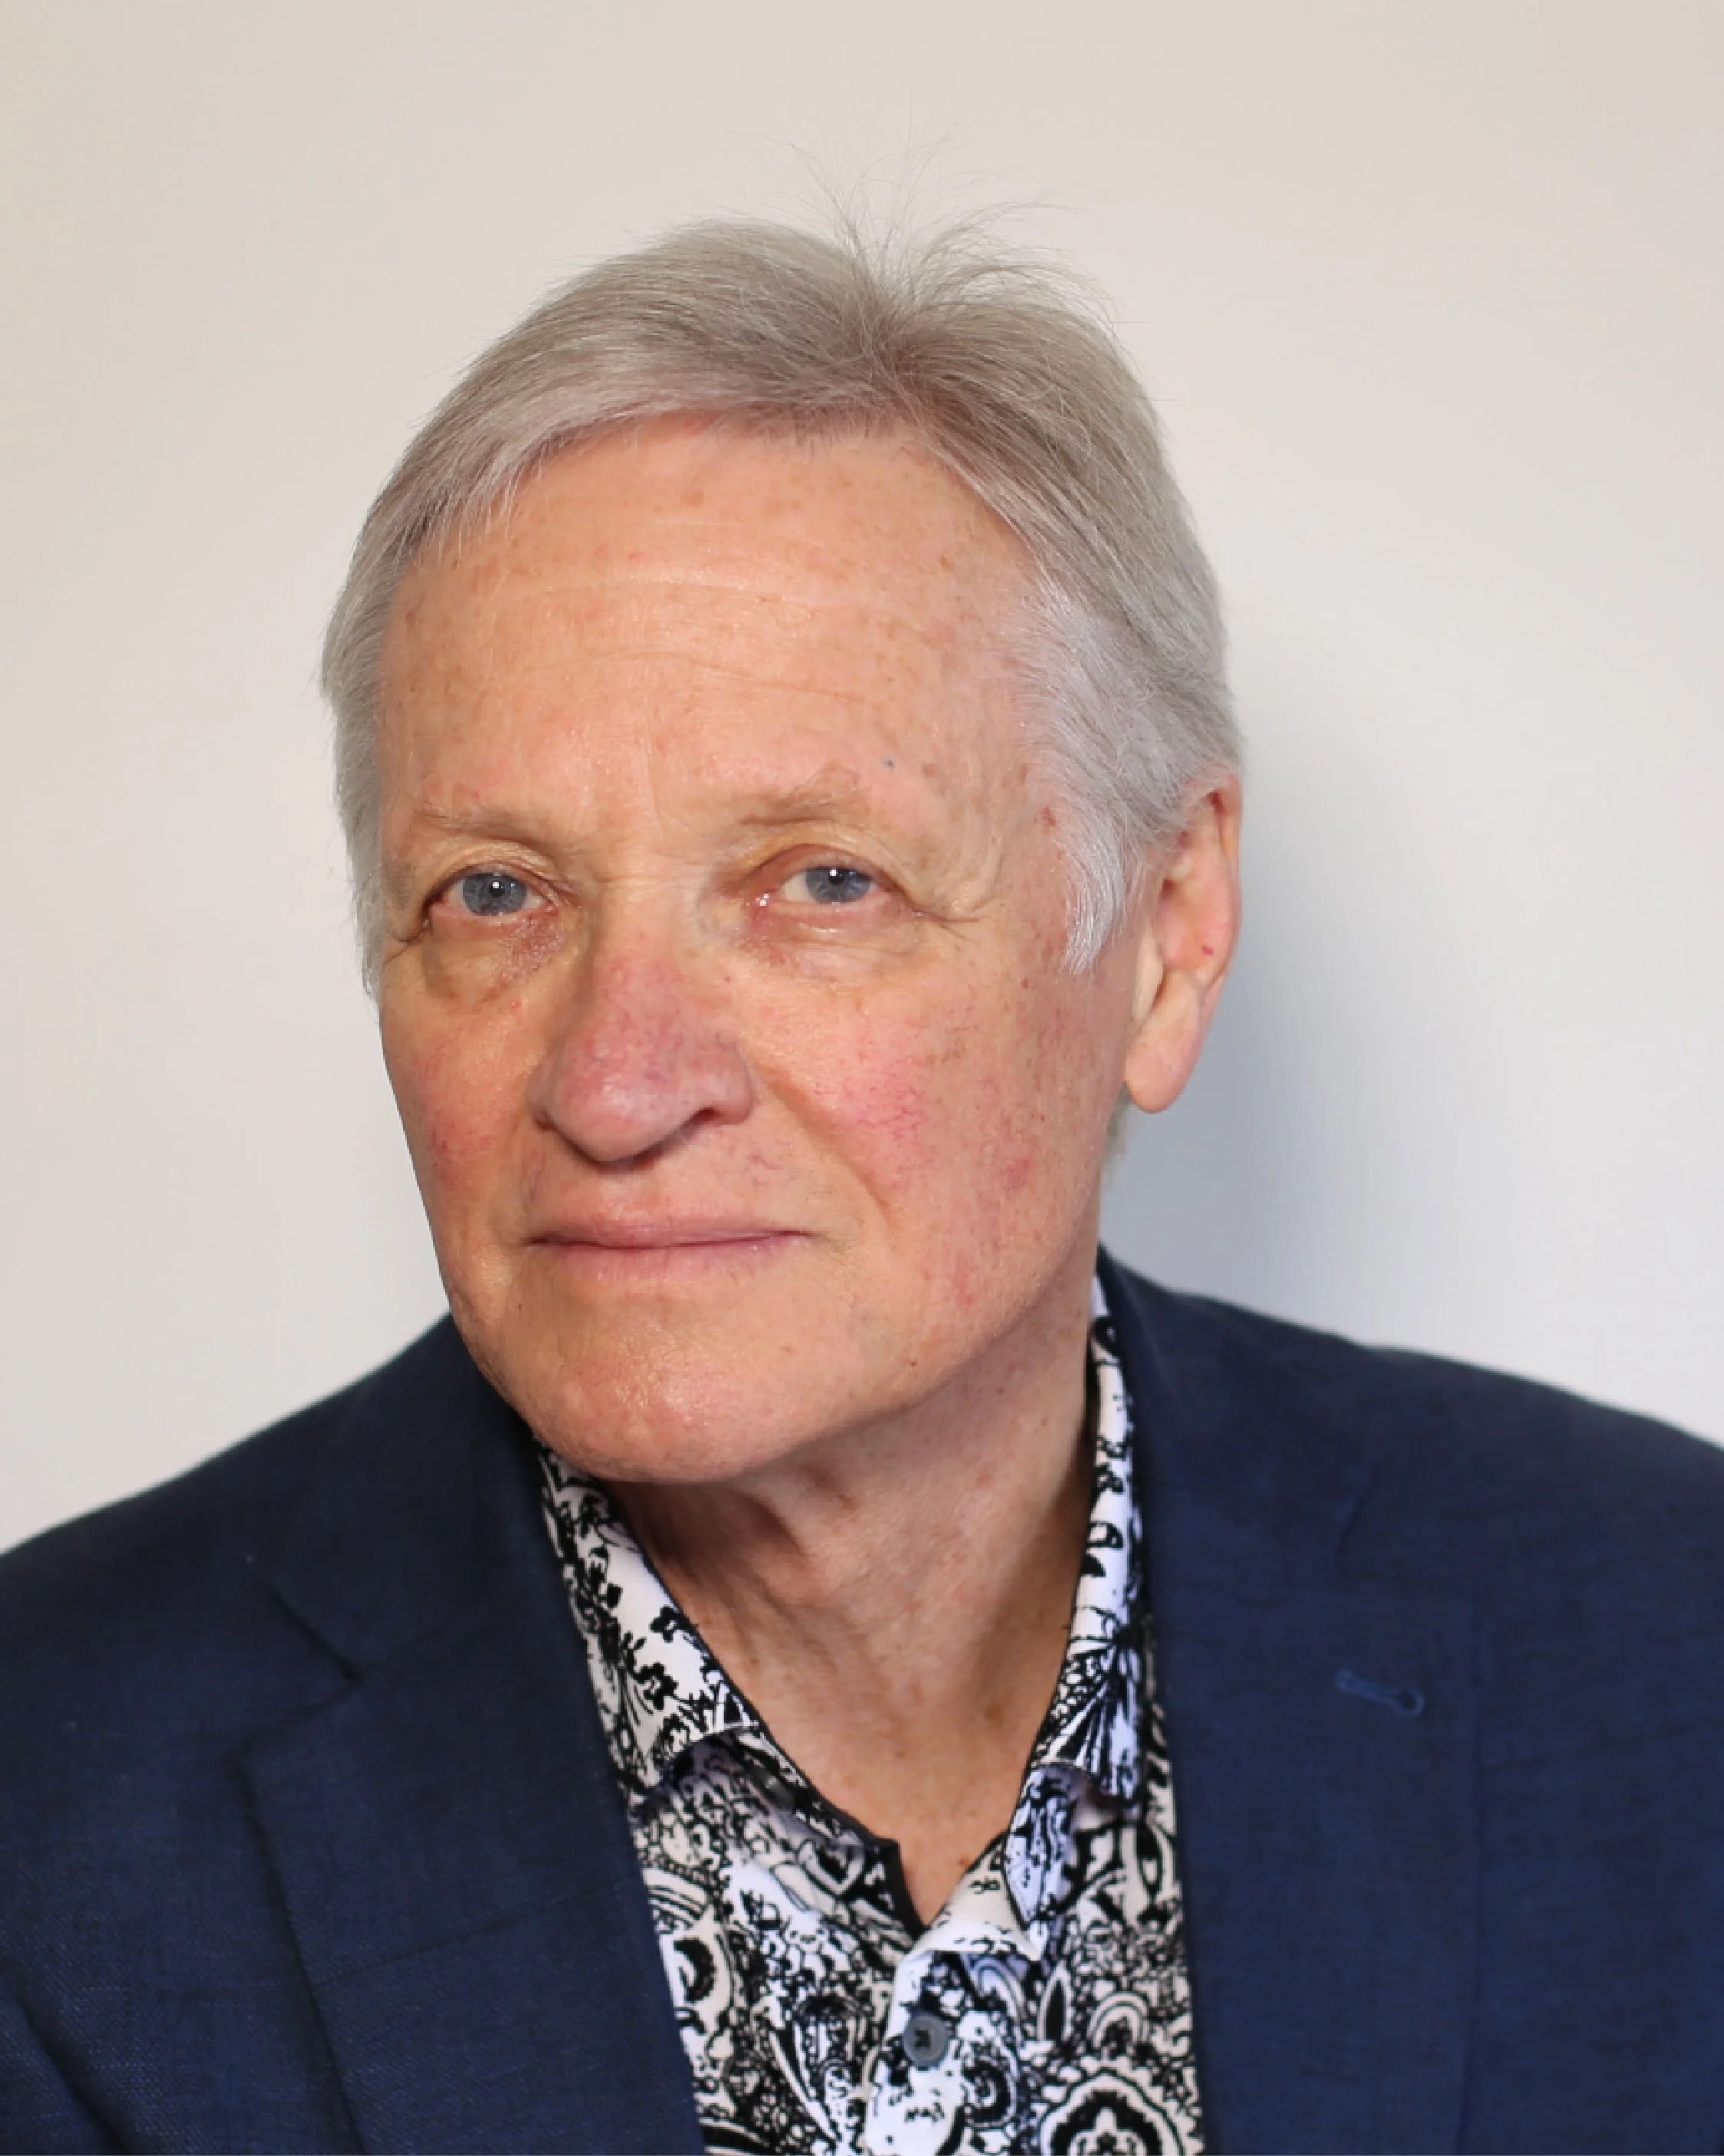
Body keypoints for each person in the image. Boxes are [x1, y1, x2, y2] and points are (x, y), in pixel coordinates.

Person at [2, 218, 1721, 2156]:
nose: (617, 1078)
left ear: (1165, 935)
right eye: (497, 890)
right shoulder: (45, 1808)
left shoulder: (1672, 1644)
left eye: (823, 880)